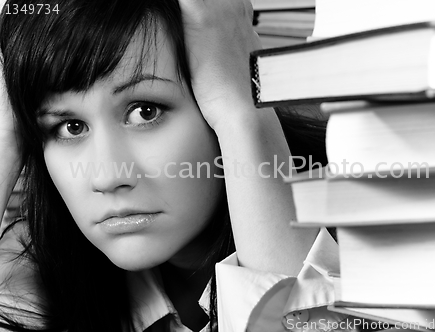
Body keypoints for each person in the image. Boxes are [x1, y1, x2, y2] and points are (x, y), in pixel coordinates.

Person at [0, 0, 345, 331]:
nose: (107, 177)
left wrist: (244, 112)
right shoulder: (34, 271)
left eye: (145, 111)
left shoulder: (375, 229)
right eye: (70, 127)